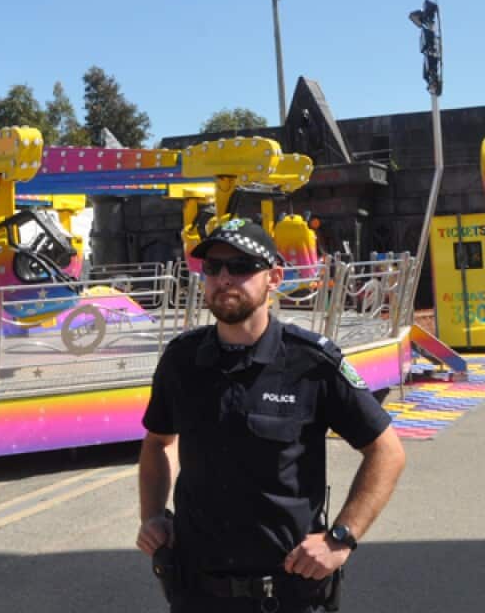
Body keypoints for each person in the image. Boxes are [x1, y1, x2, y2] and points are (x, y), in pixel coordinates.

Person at [136, 218, 405, 612]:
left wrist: (341, 538)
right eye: (213, 268)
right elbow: (159, 443)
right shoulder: (181, 360)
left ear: (274, 277)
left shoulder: (311, 362)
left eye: (242, 266)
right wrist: (153, 516)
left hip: (286, 593)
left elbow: (387, 451)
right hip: (195, 591)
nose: (224, 278)